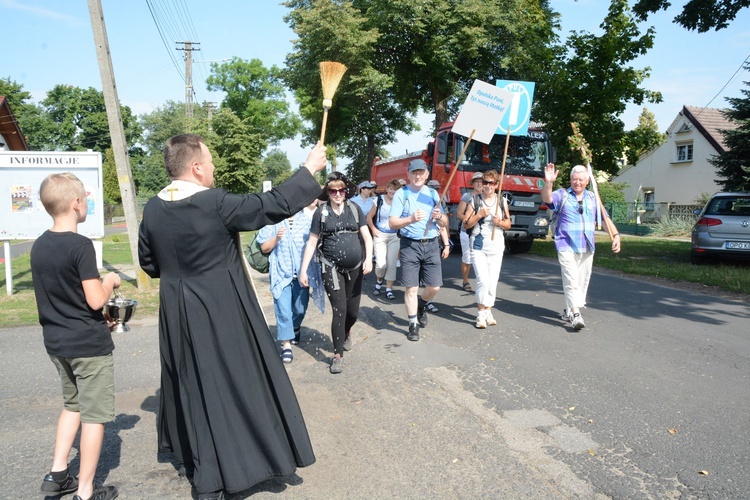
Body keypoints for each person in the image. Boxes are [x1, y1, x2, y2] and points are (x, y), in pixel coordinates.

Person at [138, 134, 326, 499]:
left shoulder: (152, 208)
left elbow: (149, 263)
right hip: (219, 307)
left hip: (175, 310)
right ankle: (236, 467)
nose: (213, 168)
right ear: (195, 167)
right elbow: (268, 206)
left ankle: (201, 462)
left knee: (192, 383)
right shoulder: (214, 202)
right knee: (231, 382)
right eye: (209, 163)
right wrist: (309, 169)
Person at [30, 172, 121, 500]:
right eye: (85, 197)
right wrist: (110, 280)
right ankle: (85, 491)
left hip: (57, 344)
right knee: (94, 418)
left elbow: (62, 295)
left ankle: (57, 474)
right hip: (88, 346)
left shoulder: (40, 245)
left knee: (72, 406)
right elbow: (95, 299)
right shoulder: (80, 246)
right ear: (76, 203)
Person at [299, 172, 373, 374]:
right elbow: (312, 241)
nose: (338, 194)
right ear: (328, 192)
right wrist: (303, 270)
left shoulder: (354, 209)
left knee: (353, 312)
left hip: (356, 266)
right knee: (339, 309)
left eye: (341, 190)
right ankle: (337, 355)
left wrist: (369, 258)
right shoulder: (320, 212)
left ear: (346, 191)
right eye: (333, 190)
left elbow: (367, 237)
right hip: (330, 266)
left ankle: (347, 330)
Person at [541, 163, 621, 330]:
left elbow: (604, 220)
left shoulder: (593, 198)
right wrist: (549, 182)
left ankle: (569, 309)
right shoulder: (562, 194)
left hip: (587, 245)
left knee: (582, 280)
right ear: (570, 180)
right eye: (574, 179)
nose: (577, 182)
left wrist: (616, 236)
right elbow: (547, 199)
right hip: (566, 244)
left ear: (587, 181)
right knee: (570, 278)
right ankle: (576, 314)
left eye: (581, 180)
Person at [388, 159, 449, 341]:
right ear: (408, 175)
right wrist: (411, 219)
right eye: (414, 172)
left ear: (427, 175)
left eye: (421, 172)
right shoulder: (402, 194)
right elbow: (392, 223)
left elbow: (445, 223)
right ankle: (413, 323)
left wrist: (439, 218)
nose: (418, 176)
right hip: (410, 245)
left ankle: (422, 304)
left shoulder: (432, 194)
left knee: (434, 287)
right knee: (411, 288)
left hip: (431, 244)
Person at [257, 198, 319, 364]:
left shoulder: (306, 221)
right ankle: (286, 345)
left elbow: (313, 244)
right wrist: (276, 238)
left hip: (301, 274)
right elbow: (264, 248)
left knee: (300, 308)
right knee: (283, 310)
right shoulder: (272, 222)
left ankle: (295, 327)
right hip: (280, 274)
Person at [462, 170, 511, 329]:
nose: (488, 186)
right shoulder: (475, 200)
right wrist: (479, 215)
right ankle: (480, 314)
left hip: (496, 245)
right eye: (485, 182)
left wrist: (499, 222)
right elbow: (466, 223)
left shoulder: (502, 202)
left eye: (491, 183)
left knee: (492, 281)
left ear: (497, 185)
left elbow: (508, 224)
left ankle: (488, 310)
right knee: (482, 279)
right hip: (478, 245)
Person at [367, 178, 401, 300]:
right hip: (380, 234)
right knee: (381, 264)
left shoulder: (400, 202)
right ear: (387, 189)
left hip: (394, 236)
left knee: (392, 263)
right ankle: (379, 281)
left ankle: (389, 288)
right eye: (391, 189)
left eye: (396, 190)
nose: (393, 191)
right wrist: (373, 229)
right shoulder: (379, 200)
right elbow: (369, 217)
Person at [424, 179, 452, 313]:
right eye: (432, 188)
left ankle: (428, 302)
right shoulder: (418, 199)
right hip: (416, 243)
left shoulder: (440, 201)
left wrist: (446, 243)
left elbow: (443, 222)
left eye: (436, 188)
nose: (434, 190)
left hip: (433, 241)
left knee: (431, 278)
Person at [456, 172, 484, 292]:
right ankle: (465, 280)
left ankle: (481, 281)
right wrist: (473, 218)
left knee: (482, 258)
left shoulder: (488, 197)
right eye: (476, 181)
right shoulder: (467, 196)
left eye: (482, 181)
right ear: (472, 183)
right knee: (467, 257)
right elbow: (459, 215)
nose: (479, 183)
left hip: (483, 232)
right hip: (467, 231)